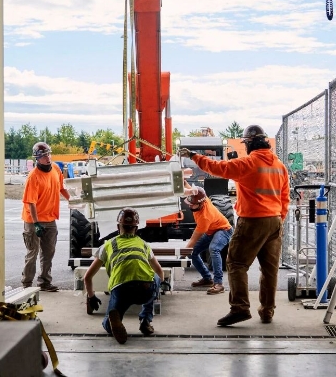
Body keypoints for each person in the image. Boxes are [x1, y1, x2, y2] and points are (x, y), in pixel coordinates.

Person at [179, 124, 290, 326]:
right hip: (274, 222)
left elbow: (218, 168)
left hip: (253, 221)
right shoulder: (279, 166)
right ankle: (267, 311)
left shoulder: (248, 163)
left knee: (237, 264)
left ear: (249, 143)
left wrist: (194, 156)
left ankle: (240, 308)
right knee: (269, 269)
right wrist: (278, 218)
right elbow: (285, 198)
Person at [83, 207, 165, 344]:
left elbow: (87, 276)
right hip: (145, 289)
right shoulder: (144, 245)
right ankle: (145, 320)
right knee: (154, 277)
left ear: (118, 226)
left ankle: (112, 323)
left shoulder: (108, 245)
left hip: (122, 289)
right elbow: (160, 271)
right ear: (136, 228)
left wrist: (91, 296)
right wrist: (158, 289)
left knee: (108, 324)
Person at [21, 141, 71, 292]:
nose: (47, 157)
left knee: (48, 253)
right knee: (32, 253)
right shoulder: (33, 177)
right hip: (34, 220)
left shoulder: (55, 168)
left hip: (50, 219)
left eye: (48, 154)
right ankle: (27, 284)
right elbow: (31, 203)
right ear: (37, 158)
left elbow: (61, 188)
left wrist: (73, 201)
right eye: (43, 156)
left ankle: (44, 282)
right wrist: (36, 224)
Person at [183, 181, 234, 295]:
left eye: (193, 204)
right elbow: (192, 190)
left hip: (223, 230)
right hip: (211, 230)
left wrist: (182, 253)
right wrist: (183, 181)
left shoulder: (205, 217)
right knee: (193, 252)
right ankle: (207, 278)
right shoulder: (201, 198)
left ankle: (218, 284)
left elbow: (193, 240)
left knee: (214, 249)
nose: (190, 205)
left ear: (201, 204)